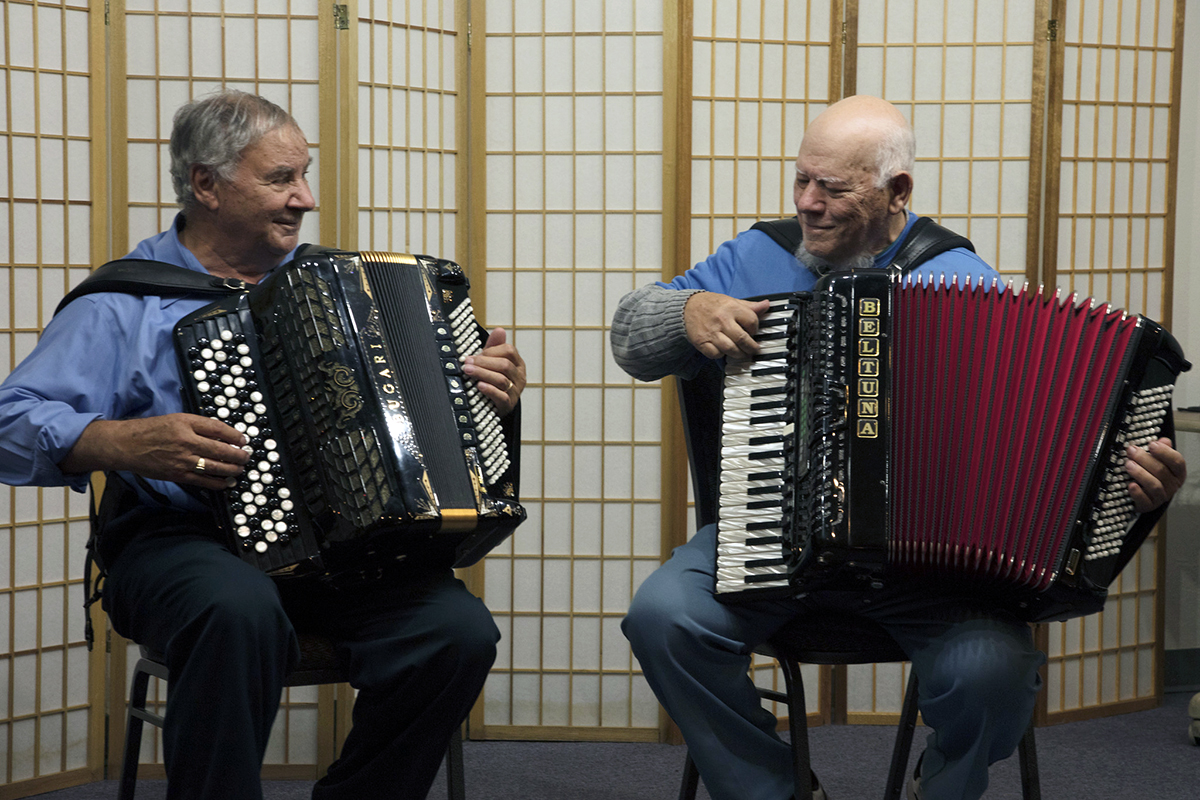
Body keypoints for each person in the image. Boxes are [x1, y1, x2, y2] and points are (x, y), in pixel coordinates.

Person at [610, 95, 1187, 800]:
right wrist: (687, 310)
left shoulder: (963, 285)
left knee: (995, 675)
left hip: (925, 575)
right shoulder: (756, 254)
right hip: (767, 536)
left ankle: (937, 789)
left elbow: (1042, 459)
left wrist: (1130, 492)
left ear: (897, 191)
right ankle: (777, 790)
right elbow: (631, 337)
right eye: (800, 180)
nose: (807, 204)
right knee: (662, 617)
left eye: (832, 188)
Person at [0, 90, 526, 800]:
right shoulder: (122, 302)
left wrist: (489, 390)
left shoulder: (350, 290)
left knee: (457, 632)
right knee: (235, 610)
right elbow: (11, 421)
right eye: (282, 179)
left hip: (345, 552)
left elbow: (432, 419)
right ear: (206, 185)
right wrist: (118, 440)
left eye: (304, 175)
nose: (305, 198)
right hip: (179, 541)